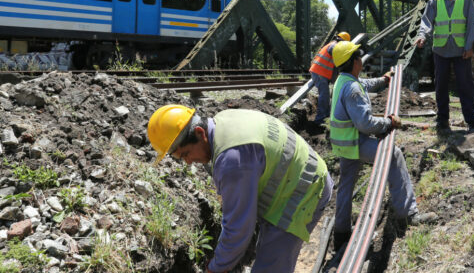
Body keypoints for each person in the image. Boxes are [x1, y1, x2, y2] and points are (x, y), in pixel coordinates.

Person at [147, 105, 333, 273]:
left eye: (186, 154)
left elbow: (239, 228)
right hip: (299, 173)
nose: (188, 162)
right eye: (181, 158)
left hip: (304, 191)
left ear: (199, 132)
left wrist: (216, 268)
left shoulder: (231, 160)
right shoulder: (223, 120)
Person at [328, 41, 433, 251]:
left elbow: (364, 85)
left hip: (344, 144)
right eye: (359, 57)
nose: (361, 60)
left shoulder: (344, 80)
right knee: (393, 155)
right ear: (354, 61)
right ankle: (408, 214)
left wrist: (383, 80)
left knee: (346, 185)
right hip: (356, 142)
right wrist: (389, 122)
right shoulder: (352, 90)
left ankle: (341, 234)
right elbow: (365, 124)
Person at [415, 0, 474, 133]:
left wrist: (469, 46)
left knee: (465, 86)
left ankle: (472, 121)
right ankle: (442, 121)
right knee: (440, 87)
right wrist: (422, 36)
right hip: (441, 50)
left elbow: (472, 23)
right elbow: (426, 22)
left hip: (461, 50)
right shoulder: (434, 1)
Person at [309, 32, 351, 125]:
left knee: (326, 95)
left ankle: (326, 116)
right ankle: (320, 119)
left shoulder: (333, 44)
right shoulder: (334, 46)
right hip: (319, 72)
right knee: (324, 95)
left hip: (321, 72)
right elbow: (336, 57)